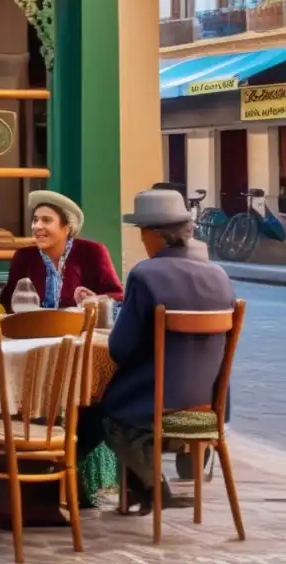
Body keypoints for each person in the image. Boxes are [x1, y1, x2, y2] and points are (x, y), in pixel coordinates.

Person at [101, 188, 235, 514]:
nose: (142, 240)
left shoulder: (146, 275)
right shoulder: (219, 275)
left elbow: (119, 348)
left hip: (155, 406)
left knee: (105, 414)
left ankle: (150, 485)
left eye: (142, 233)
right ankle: (146, 488)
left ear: (154, 236)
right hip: (209, 405)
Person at [0, 190, 124, 311]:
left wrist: (96, 299)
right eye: (35, 220)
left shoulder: (92, 252)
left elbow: (118, 296)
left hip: (80, 329)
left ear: (67, 228)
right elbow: (7, 304)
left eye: (46, 220)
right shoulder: (24, 256)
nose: (37, 226)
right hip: (34, 329)